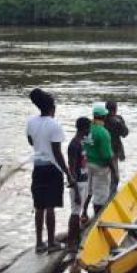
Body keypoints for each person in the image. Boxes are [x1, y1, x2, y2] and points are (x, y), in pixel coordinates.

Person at [26, 88, 74, 254]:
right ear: (52, 108)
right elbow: (57, 152)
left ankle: (39, 243)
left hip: (38, 167)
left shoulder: (31, 123)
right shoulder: (55, 125)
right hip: (53, 169)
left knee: (39, 207)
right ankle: (52, 242)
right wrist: (68, 173)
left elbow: (31, 142)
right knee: (50, 208)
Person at [83, 103, 114, 217]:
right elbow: (107, 156)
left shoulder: (87, 128)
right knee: (100, 196)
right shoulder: (103, 133)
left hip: (87, 165)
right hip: (100, 167)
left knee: (89, 191)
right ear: (104, 117)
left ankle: (84, 213)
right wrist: (114, 171)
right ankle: (98, 218)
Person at [67, 117, 91, 253]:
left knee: (78, 212)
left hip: (84, 180)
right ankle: (71, 242)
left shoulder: (83, 141)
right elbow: (71, 169)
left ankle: (76, 238)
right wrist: (75, 190)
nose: (90, 131)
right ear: (84, 129)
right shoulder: (74, 145)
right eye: (89, 129)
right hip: (78, 183)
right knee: (75, 213)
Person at [105, 101, 129, 198]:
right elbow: (125, 133)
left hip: (102, 152)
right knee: (115, 176)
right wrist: (119, 123)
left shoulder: (101, 119)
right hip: (114, 151)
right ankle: (112, 197)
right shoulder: (118, 119)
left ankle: (107, 197)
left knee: (106, 176)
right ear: (116, 109)